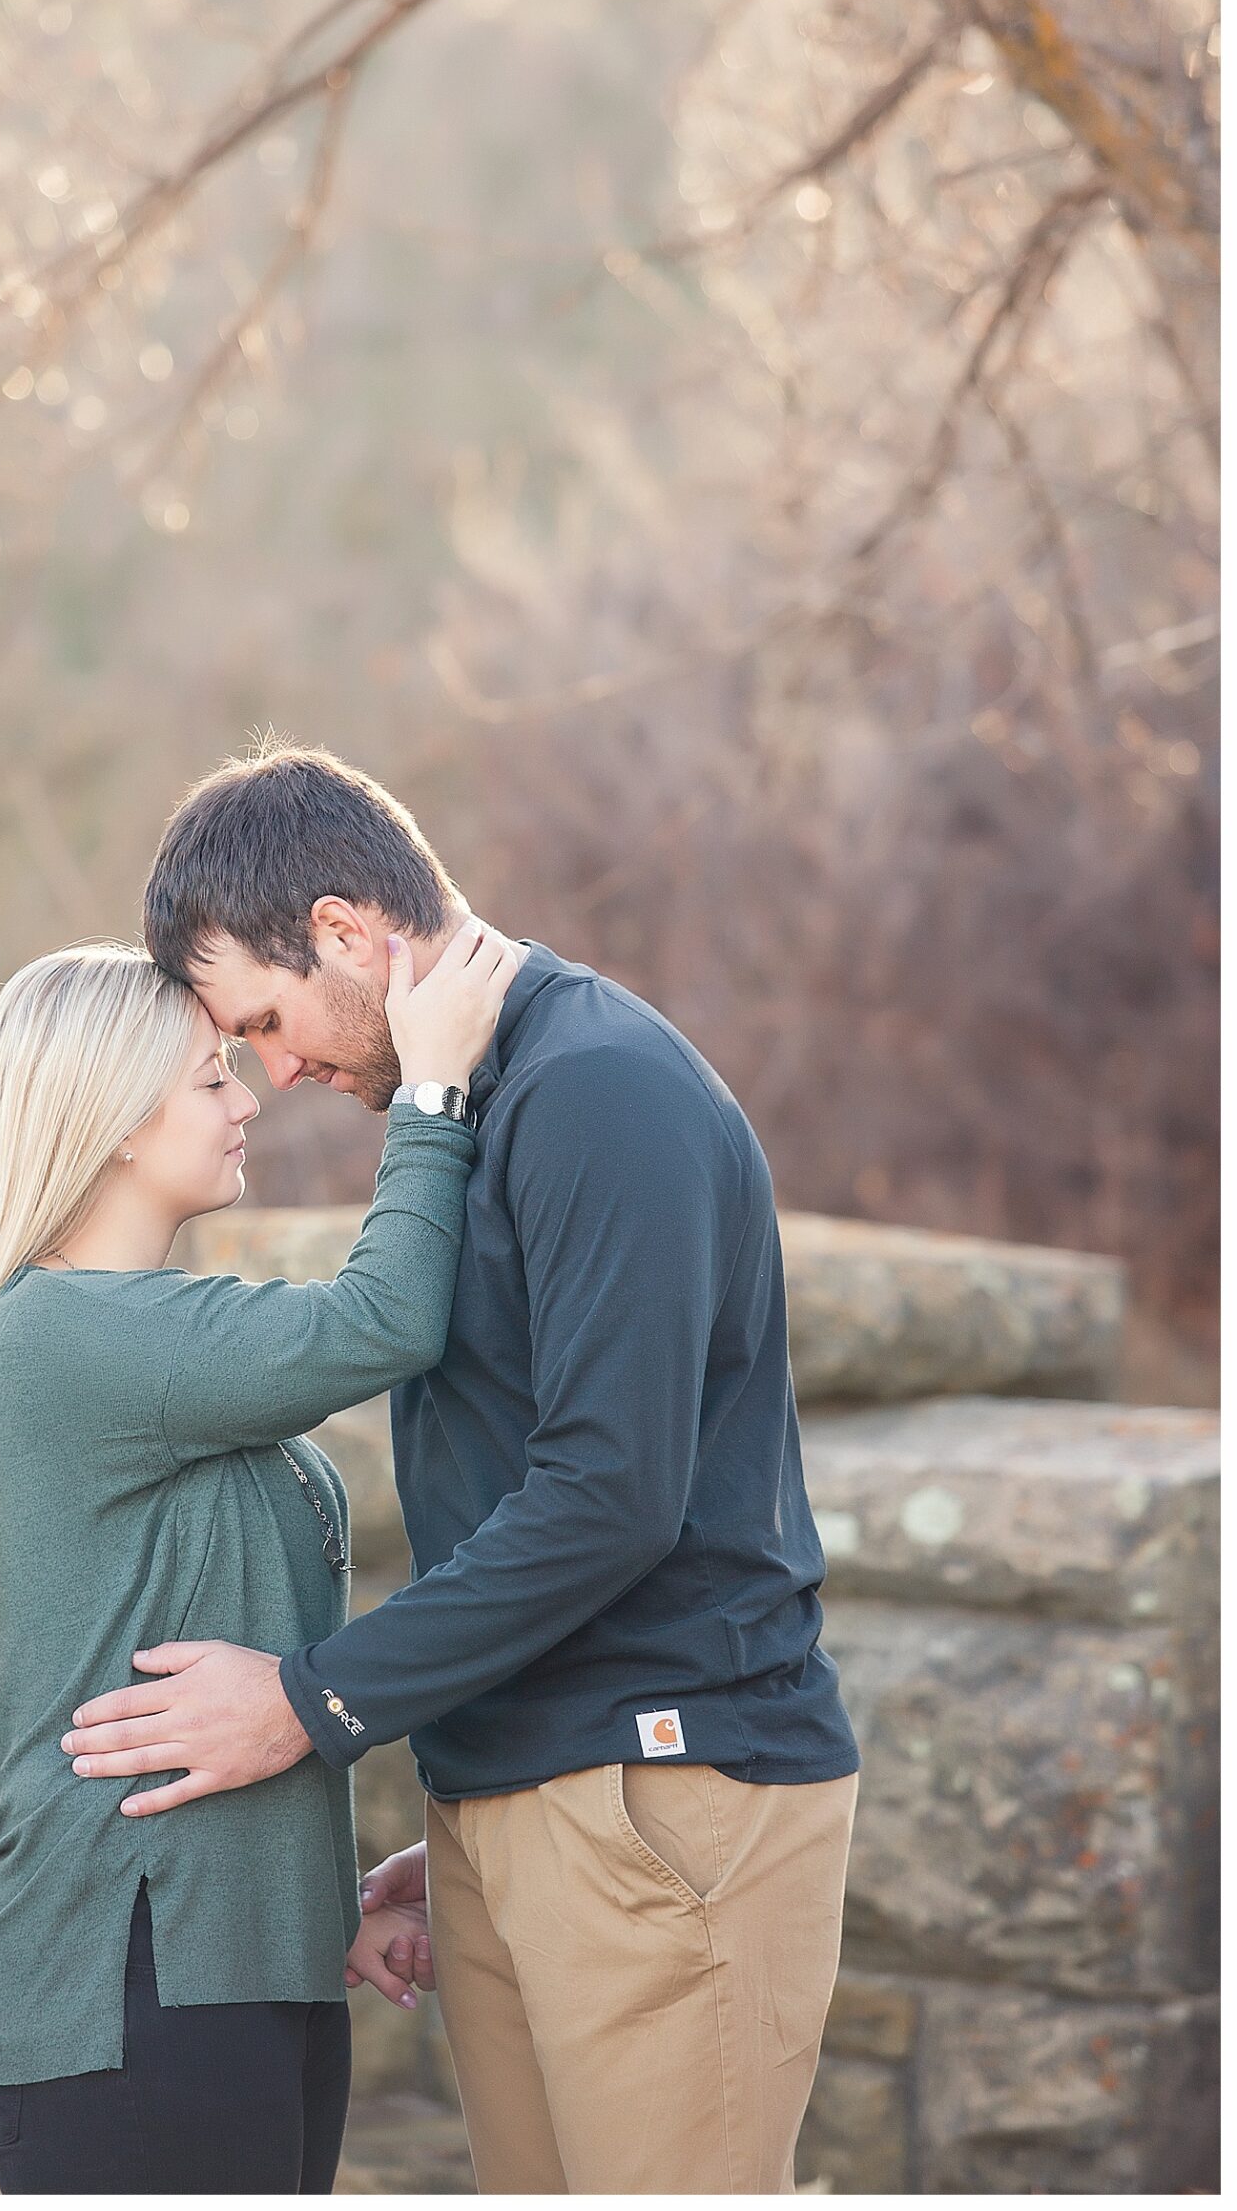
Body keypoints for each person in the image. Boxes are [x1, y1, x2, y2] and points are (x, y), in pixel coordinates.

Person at [60, 744, 863, 2195]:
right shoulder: (463, 1104)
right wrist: (490, 1790)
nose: (281, 1070)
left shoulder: (598, 1089)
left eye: (269, 1018)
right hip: (538, 1794)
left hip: (662, 1790)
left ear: (349, 934)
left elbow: (609, 1495)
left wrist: (310, 1705)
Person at [0, 923, 518, 2194]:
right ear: (117, 1120)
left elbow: (211, 1666)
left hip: (231, 1969)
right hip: (114, 1988)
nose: (248, 1103)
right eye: (212, 1078)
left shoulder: (143, 1338)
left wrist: (311, 1903)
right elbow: (383, 1319)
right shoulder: (69, 1332)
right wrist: (433, 1086)